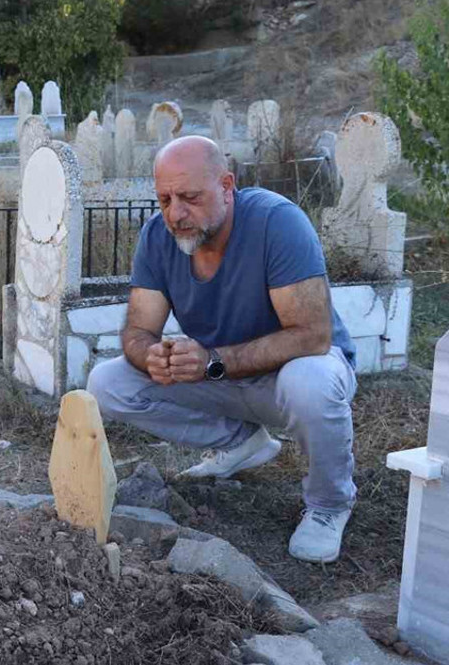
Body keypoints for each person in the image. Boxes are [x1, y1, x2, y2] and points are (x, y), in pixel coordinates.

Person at [86, 135, 358, 564]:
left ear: (227, 186)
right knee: (108, 381)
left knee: (311, 381)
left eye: (190, 197)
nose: (176, 213)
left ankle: (329, 505)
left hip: (286, 376)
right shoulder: (158, 237)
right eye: (165, 199)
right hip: (219, 376)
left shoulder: (277, 222)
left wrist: (213, 362)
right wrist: (150, 355)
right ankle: (242, 443)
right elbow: (138, 330)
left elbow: (312, 335)